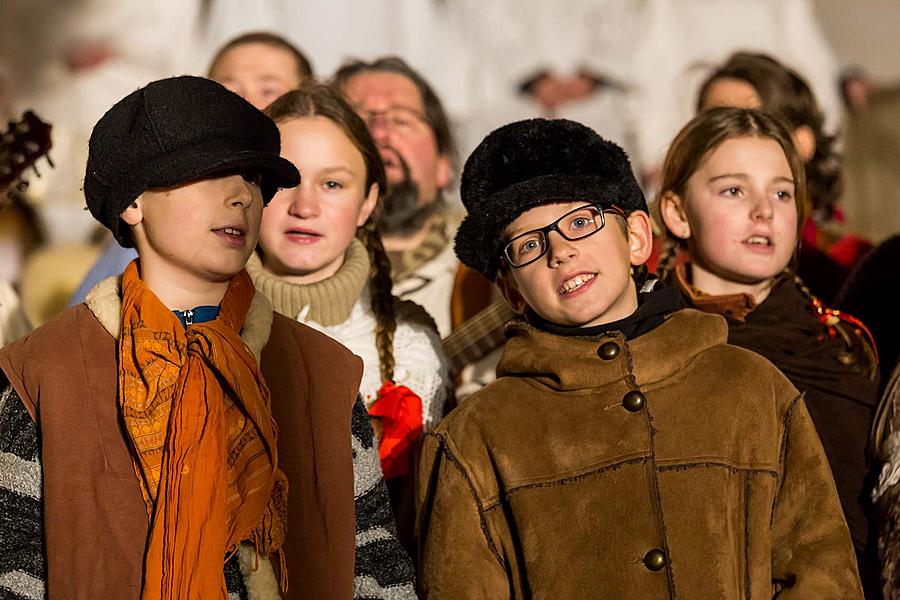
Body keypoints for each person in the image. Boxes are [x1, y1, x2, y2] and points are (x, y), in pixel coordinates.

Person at [416, 117, 862, 598]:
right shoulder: (474, 438)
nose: (560, 251)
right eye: (528, 244)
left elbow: (821, 571)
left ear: (636, 238)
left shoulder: (752, 387)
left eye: (581, 222)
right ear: (511, 291)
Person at [0, 76, 403, 600]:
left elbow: (375, 562)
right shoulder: (45, 371)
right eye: (211, 173)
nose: (241, 196)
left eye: (254, 178)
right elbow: (15, 572)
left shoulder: (320, 370)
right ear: (132, 203)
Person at [655, 107, 880, 597]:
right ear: (676, 211)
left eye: (781, 192)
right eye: (733, 190)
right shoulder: (644, 348)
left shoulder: (841, 349)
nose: (764, 211)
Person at [249, 83, 450, 560]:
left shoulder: (411, 345)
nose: (306, 206)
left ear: (368, 201)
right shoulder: (198, 327)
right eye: (284, 181)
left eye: (333, 184)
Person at [69, 32, 313, 306]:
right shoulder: (156, 236)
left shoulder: (324, 220)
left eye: (269, 92)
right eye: (229, 92)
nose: (246, 105)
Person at [697, 51, 869, 302]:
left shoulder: (851, 264)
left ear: (802, 143)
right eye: (710, 125)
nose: (725, 142)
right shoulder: (654, 257)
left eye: (749, 123)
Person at [334, 57, 459, 336]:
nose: (378, 133)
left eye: (401, 120)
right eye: (360, 120)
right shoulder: (287, 264)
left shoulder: (486, 271)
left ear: (443, 166)